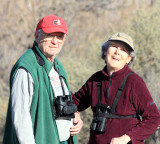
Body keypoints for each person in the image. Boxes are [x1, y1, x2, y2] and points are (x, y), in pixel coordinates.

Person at [3, 14, 83, 144]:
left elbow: (62, 102)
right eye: (50, 35)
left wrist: (75, 117)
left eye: (59, 36)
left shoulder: (57, 65)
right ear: (36, 36)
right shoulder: (26, 67)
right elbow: (20, 116)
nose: (55, 41)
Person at [72, 32, 160, 144]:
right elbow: (75, 103)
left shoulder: (134, 82)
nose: (117, 52)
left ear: (129, 58)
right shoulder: (95, 80)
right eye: (114, 46)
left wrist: (127, 137)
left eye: (123, 50)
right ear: (105, 51)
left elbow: (153, 118)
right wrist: (74, 111)